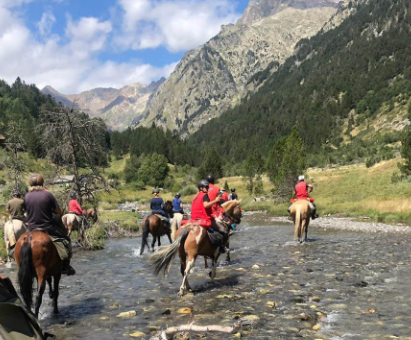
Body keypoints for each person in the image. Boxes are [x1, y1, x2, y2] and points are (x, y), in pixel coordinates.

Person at [24, 174, 75, 275]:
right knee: (66, 240)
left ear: (30, 183)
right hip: (47, 227)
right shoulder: (48, 194)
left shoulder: (27, 196)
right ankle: (66, 266)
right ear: (42, 183)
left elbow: (26, 210)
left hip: (31, 228)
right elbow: (58, 211)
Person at [190, 180, 226, 252]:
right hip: (203, 219)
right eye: (206, 187)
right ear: (201, 188)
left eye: (208, 187)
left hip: (194, 219)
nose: (207, 188)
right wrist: (215, 200)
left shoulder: (195, 197)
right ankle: (222, 247)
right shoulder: (205, 195)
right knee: (223, 230)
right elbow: (205, 205)